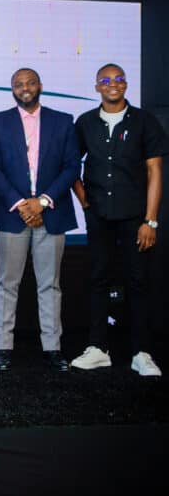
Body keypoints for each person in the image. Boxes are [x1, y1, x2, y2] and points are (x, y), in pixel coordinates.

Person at [70, 63, 167, 377]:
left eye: (119, 79)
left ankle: (141, 352)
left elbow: (154, 171)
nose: (113, 83)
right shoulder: (85, 122)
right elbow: (70, 165)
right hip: (99, 215)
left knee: (138, 281)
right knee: (98, 278)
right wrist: (85, 201)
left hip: (135, 217)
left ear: (126, 84)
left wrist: (150, 221)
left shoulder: (144, 121)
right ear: (97, 86)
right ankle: (98, 348)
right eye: (106, 80)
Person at [0, 68, 79, 372]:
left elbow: (71, 167)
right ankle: (3, 347)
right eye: (18, 84)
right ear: (12, 89)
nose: (25, 88)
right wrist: (22, 204)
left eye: (30, 83)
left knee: (50, 284)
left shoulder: (63, 121)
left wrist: (43, 202)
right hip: (13, 213)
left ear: (40, 86)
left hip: (52, 212)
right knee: (7, 283)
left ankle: (52, 348)